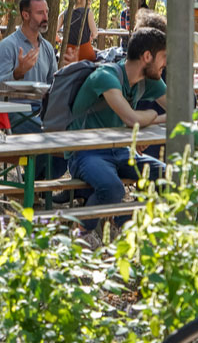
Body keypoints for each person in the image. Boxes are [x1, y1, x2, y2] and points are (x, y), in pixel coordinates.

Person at [56, 28, 168, 223]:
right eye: (164, 57)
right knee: (113, 188)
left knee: (170, 176)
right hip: (84, 152)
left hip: (121, 151)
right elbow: (131, 119)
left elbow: (182, 110)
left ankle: (122, 224)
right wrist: (151, 114)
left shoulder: (148, 81)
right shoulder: (106, 76)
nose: (166, 64)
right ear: (147, 56)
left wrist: (150, 121)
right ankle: (78, 234)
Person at [0, 0, 65, 180]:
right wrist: (19, 72)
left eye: (47, 12)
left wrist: (70, 69)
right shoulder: (8, 46)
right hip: (13, 111)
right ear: (25, 15)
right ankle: (29, 187)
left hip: (42, 110)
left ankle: (35, 186)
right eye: (40, 13)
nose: (46, 18)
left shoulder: (48, 48)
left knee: (68, 139)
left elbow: (54, 85)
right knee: (46, 137)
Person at [58, 0, 98, 65]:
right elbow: (95, 33)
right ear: (79, 0)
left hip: (68, 53)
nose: (90, 0)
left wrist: (60, 40)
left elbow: (53, 32)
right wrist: (91, 37)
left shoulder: (64, 13)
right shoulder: (88, 12)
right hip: (85, 52)